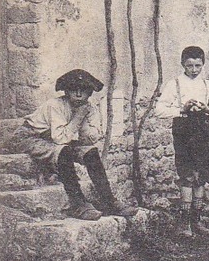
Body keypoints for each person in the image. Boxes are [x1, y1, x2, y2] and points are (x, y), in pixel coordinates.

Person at [19, 68, 135, 221]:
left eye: (84, 91)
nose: (79, 94)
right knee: (64, 151)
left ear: (90, 93)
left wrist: (84, 120)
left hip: (55, 138)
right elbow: (60, 139)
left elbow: (90, 139)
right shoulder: (56, 105)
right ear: (66, 92)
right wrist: (79, 117)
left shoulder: (89, 107)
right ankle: (78, 204)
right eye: (74, 90)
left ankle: (109, 201)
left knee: (90, 152)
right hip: (31, 137)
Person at [156, 46, 209, 238]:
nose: (194, 70)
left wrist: (207, 108)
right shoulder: (174, 84)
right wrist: (181, 109)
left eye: (197, 66)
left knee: (202, 174)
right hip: (184, 132)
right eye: (189, 66)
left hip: (204, 132)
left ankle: (197, 221)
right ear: (182, 64)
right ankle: (184, 223)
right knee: (186, 174)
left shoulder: (207, 85)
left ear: (203, 65)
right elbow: (159, 110)